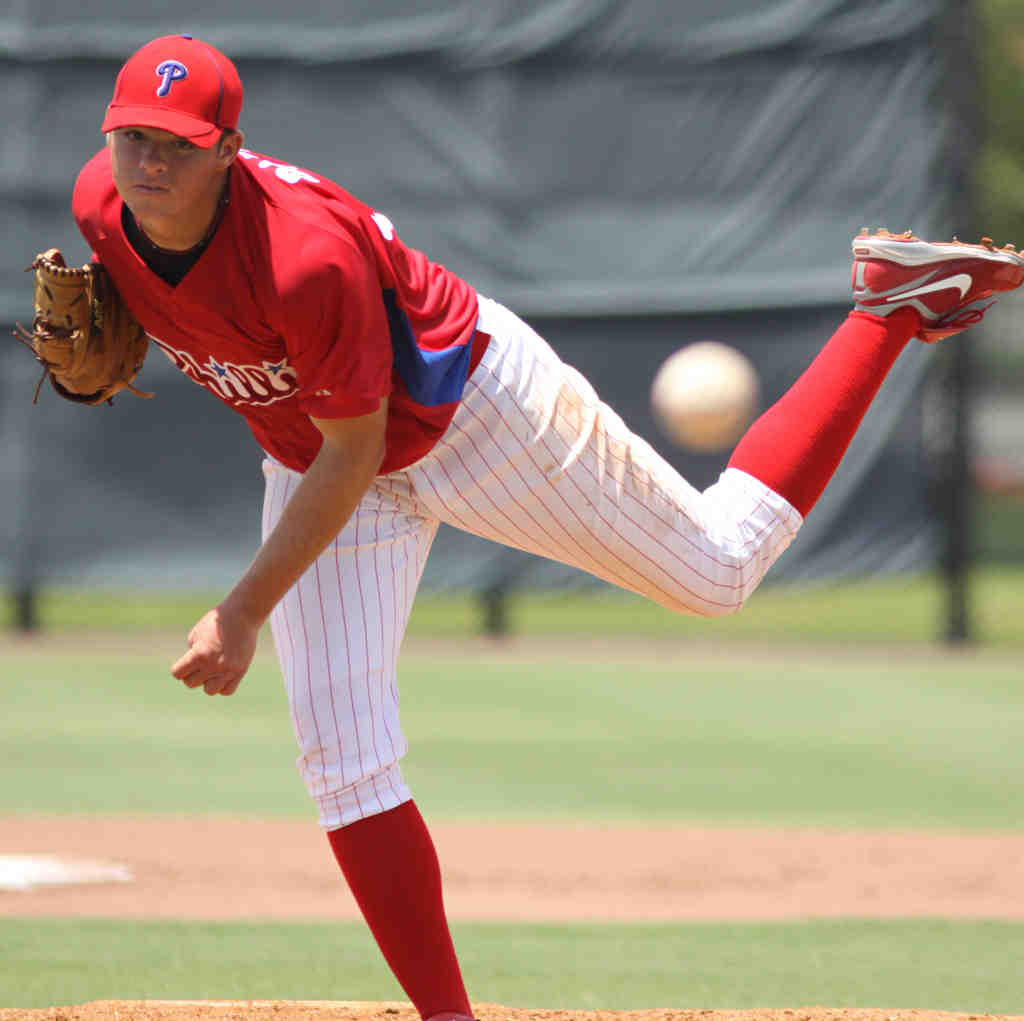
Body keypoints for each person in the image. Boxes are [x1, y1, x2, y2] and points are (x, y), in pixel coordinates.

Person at [69, 33, 1024, 1020]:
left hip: (472, 413)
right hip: (330, 452)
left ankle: (886, 307)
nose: (148, 162)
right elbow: (263, 384)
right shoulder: (101, 209)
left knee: (718, 572)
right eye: (132, 136)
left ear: (227, 147)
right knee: (342, 758)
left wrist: (241, 611)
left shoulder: (303, 256)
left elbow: (352, 457)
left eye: (177, 144)